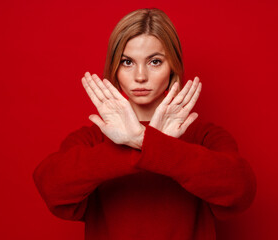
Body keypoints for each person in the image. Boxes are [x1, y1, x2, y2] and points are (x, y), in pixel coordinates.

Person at [33, 8, 256, 240]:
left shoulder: (205, 136)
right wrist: (146, 145)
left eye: (155, 61)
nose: (140, 76)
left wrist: (145, 142)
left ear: (172, 67)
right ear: (115, 69)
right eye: (127, 62)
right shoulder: (92, 138)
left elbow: (241, 191)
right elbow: (52, 187)